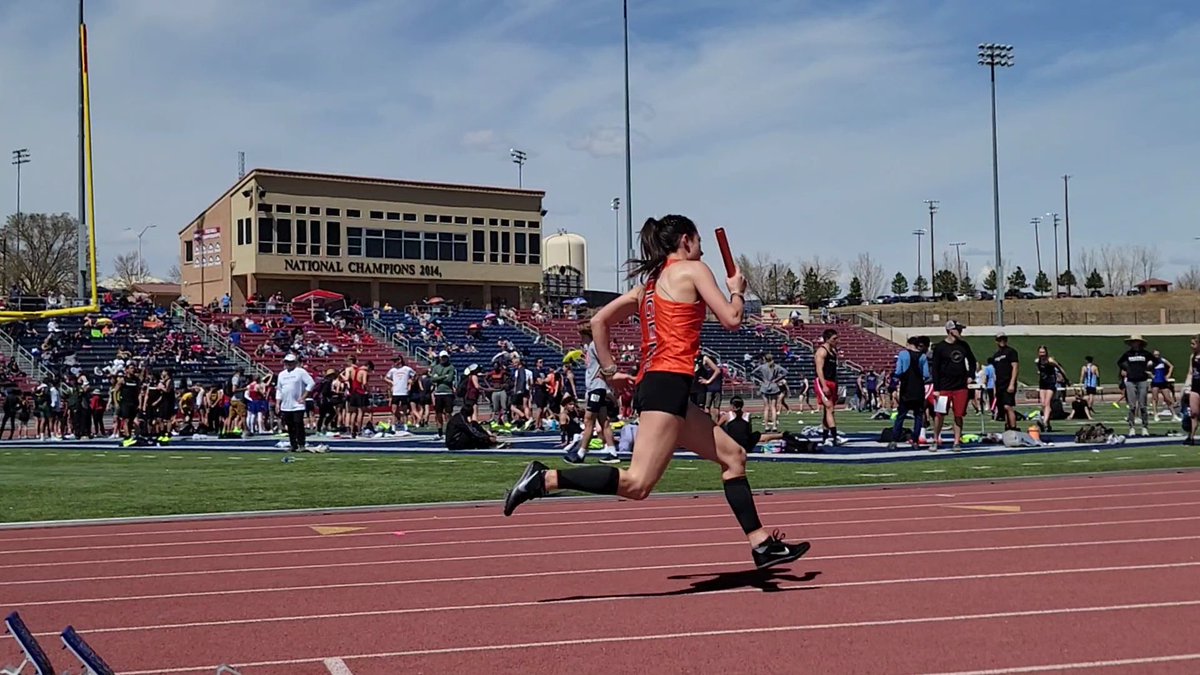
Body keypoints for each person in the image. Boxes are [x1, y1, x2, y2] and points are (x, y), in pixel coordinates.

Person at [502, 214, 810, 570]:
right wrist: (737, 289)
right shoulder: (693, 270)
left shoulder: (647, 286)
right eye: (698, 241)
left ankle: (761, 545)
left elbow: (599, 321)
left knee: (734, 456)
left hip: (663, 385)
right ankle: (545, 478)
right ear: (685, 240)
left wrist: (610, 371)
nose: (702, 248)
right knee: (637, 484)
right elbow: (732, 319)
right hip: (667, 384)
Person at [929, 320, 977, 452]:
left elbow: (972, 361)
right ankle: (935, 439)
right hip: (944, 387)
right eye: (958, 329)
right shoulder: (940, 347)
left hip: (960, 387)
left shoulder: (963, 345)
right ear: (950, 331)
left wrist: (970, 375)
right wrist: (937, 389)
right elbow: (935, 369)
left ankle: (956, 441)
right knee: (939, 415)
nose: (960, 332)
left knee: (958, 414)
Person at [889, 335, 930, 450]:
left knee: (901, 416)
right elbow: (926, 374)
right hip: (918, 389)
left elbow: (898, 371)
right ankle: (915, 441)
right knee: (918, 416)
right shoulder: (922, 356)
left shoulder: (903, 354)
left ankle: (894, 440)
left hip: (906, 389)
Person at [276, 354, 325, 452]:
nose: (288, 364)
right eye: (287, 362)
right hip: (286, 405)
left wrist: (304, 396)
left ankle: (301, 444)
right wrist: (278, 403)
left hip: (297, 405)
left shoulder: (301, 372)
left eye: (290, 362)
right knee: (290, 426)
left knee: (298, 424)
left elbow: (311, 383)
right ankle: (293, 445)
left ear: (294, 362)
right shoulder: (282, 374)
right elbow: (279, 389)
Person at [1117, 335, 1157, 437]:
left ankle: (1145, 427)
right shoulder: (1128, 354)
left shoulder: (1146, 353)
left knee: (1143, 405)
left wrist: (1149, 366)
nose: (1134, 343)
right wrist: (1125, 369)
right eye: (1133, 341)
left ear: (1140, 342)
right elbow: (1120, 362)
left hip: (1142, 380)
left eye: (1136, 341)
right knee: (1132, 406)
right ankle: (1131, 427)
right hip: (1130, 381)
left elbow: (1155, 361)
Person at [814, 329, 840, 445]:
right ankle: (835, 437)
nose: (837, 341)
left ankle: (825, 437)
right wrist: (824, 385)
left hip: (832, 382)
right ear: (827, 339)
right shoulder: (822, 351)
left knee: (827, 411)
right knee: (830, 409)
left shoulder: (833, 351)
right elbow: (819, 369)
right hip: (823, 382)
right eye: (834, 339)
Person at [988, 333, 1020, 430]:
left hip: (1008, 383)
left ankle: (1014, 427)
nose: (1002, 341)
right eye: (1000, 339)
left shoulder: (1011, 352)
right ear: (996, 341)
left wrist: (1012, 383)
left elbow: (1015, 367)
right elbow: (995, 373)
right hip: (999, 384)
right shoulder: (996, 355)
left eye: (1004, 339)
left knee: (1008, 406)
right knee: (1002, 407)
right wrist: (994, 387)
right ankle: (1007, 426)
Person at [1185, 336, 1200, 445]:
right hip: (1195, 387)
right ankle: (1191, 437)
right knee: (1194, 413)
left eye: (1193, 344)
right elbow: (1190, 372)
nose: (1191, 346)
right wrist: (1187, 386)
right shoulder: (1192, 356)